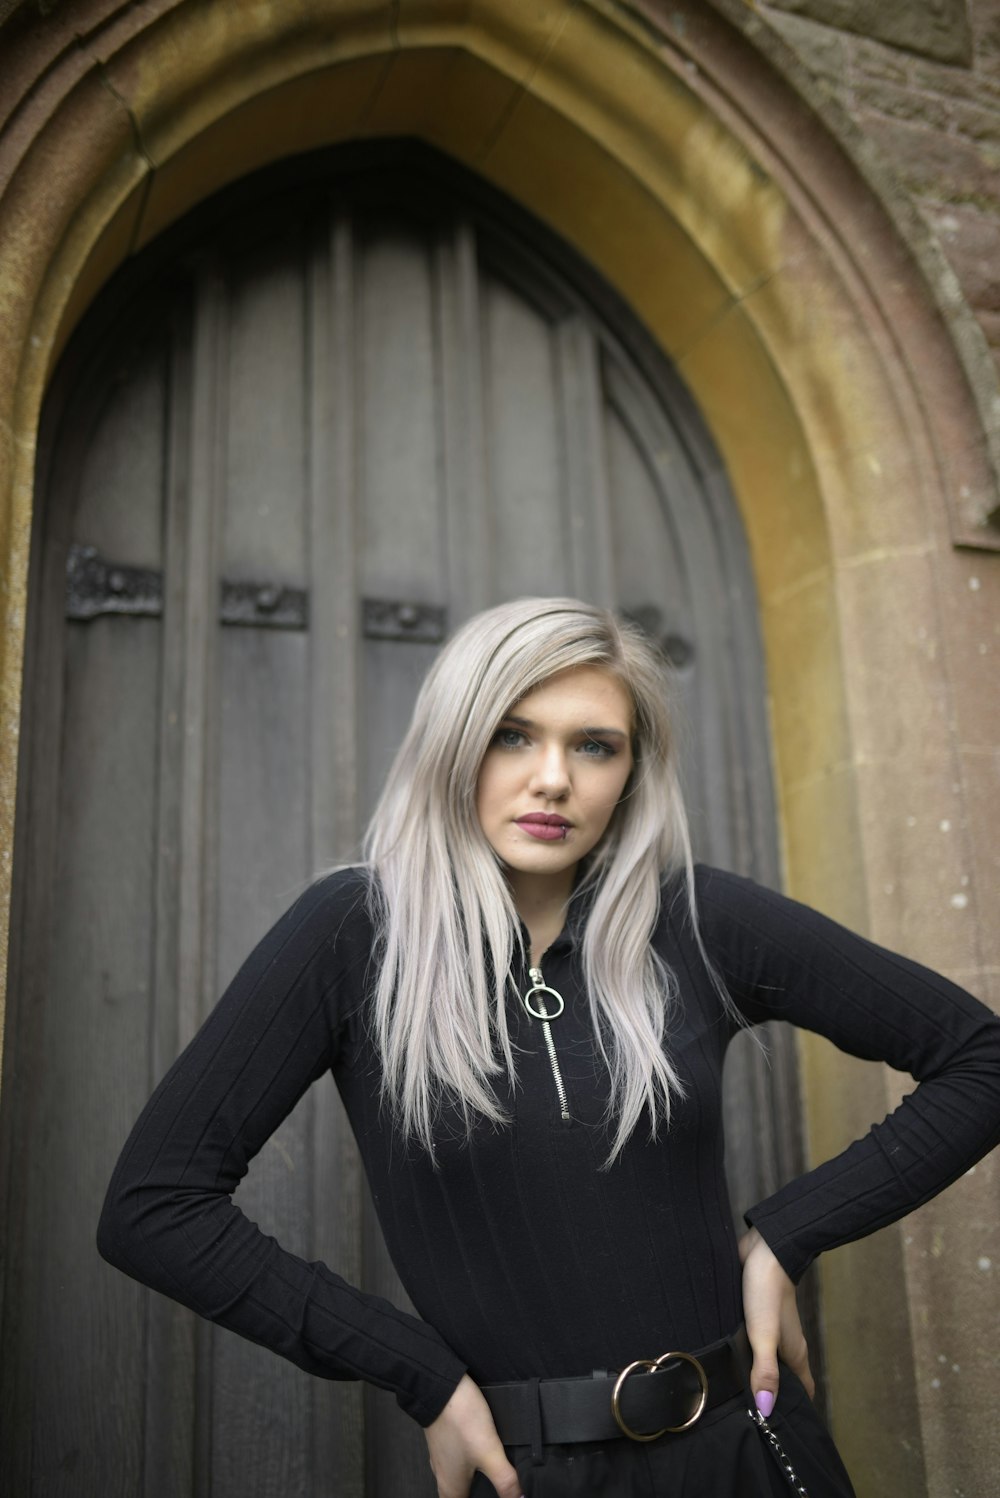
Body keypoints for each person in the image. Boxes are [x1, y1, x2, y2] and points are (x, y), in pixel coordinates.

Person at [98, 596, 1000, 1498]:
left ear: (632, 772)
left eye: (595, 745)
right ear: (454, 746)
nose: (554, 779)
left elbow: (979, 1059)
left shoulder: (695, 919)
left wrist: (785, 1238)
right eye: (512, 735)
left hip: (749, 1450)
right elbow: (155, 1206)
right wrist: (422, 1372)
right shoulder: (353, 934)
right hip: (534, 1476)